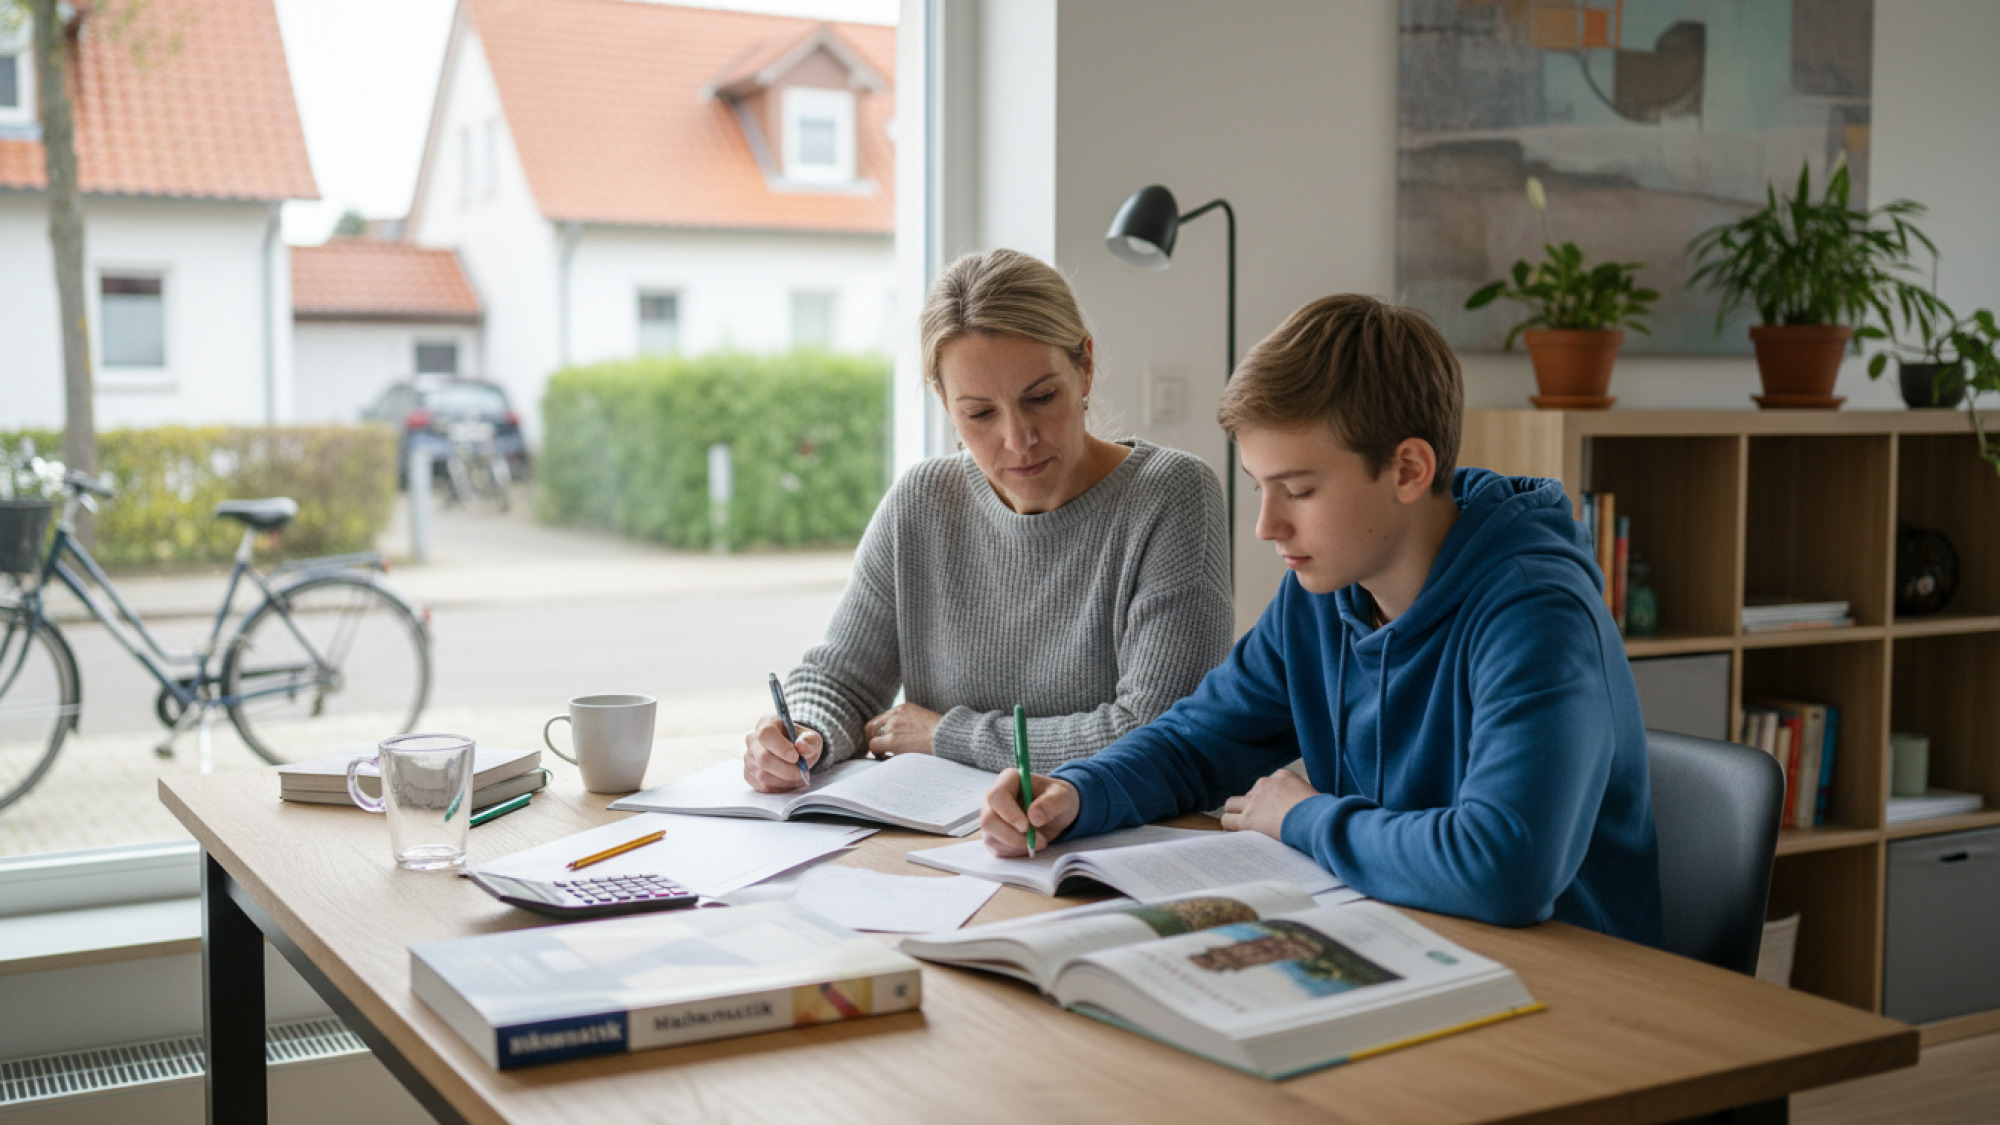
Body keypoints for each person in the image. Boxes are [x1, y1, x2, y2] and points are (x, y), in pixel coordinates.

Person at [980, 294, 1662, 944]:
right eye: (1259, 487)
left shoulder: (1535, 611)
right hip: (1406, 937)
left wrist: (1304, 817)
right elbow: (1198, 740)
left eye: (1299, 490)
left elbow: (1504, 866)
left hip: (1573, 985)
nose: (1266, 525)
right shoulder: (1323, 589)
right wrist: (1077, 789)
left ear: (1408, 469)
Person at [742, 248, 1233, 791]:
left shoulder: (1171, 495)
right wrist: (802, 734)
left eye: (1041, 397)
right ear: (944, 402)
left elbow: (1156, 733)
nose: (1018, 439)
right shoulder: (922, 501)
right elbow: (841, 681)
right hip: (944, 846)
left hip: (1108, 849)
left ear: (1085, 366)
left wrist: (948, 737)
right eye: (979, 413)